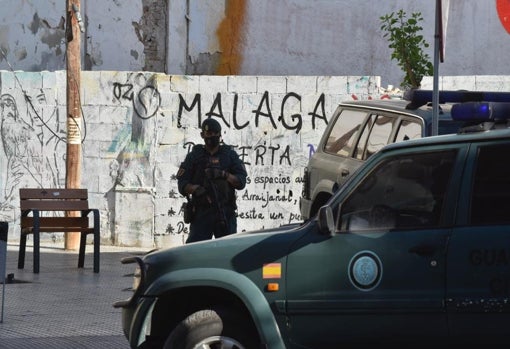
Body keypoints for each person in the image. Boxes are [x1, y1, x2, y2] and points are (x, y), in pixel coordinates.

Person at [177, 118, 247, 243]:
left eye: (215, 133)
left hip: (224, 211)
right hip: (201, 213)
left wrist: (224, 175)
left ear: (220, 135)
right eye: (209, 134)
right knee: (195, 251)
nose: (212, 136)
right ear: (202, 135)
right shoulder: (194, 156)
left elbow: (241, 182)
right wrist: (196, 189)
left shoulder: (229, 156)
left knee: (228, 249)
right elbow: (182, 183)